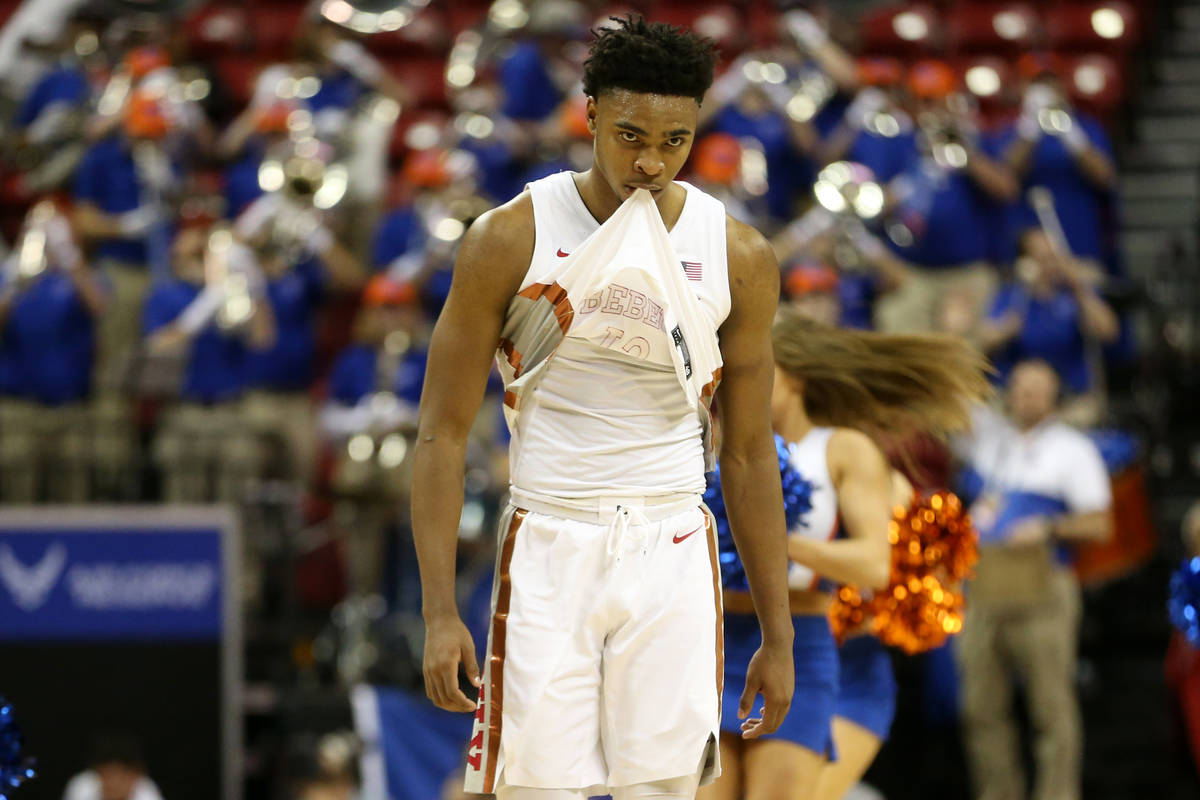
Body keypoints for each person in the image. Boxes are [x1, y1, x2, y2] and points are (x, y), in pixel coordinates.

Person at [413, 16, 795, 799]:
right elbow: (440, 435)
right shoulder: (507, 238)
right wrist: (439, 610)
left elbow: (751, 453)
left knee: (662, 791)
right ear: (587, 115)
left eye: (674, 141)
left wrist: (778, 632)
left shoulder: (740, 255)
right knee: (536, 790)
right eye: (629, 135)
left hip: (674, 538)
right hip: (551, 533)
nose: (650, 162)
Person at [700, 310, 990, 800]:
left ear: (789, 376)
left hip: (800, 646)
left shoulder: (841, 448)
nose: (738, 381)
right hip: (710, 649)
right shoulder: (714, 443)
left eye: (753, 367)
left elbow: (874, 564)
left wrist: (766, 540)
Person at [954, 359, 1113, 800]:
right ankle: (997, 792)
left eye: (1037, 391)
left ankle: (1058, 794)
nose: (1027, 398)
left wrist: (1049, 527)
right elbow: (955, 407)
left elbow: (1100, 524)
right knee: (980, 708)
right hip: (986, 585)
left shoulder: (1072, 449)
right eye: (1020, 389)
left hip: (1042, 585)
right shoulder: (994, 446)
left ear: (1053, 397)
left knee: (1050, 707)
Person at [874, 60, 1017, 334]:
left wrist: (965, 154)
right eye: (922, 102)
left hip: (967, 273)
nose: (929, 110)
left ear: (951, 102)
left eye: (935, 102)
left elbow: (1006, 190)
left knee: (965, 356)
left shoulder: (975, 141)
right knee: (899, 343)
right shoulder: (900, 143)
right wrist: (915, 177)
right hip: (912, 271)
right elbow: (876, 203)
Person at [0, 200, 104, 502]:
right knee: (17, 497)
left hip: (69, 409)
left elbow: (97, 306)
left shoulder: (81, 277)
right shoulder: (12, 278)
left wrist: (69, 256)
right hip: (20, 410)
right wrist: (15, 279)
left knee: (71, 498)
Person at [978, 227, 1119, 425]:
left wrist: (1079, 288)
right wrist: (1006, 329)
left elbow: (1109, 332)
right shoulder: (1011, 295)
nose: (1050, 266)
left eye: (1054, 257)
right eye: (1041, 258)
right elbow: (984, 340)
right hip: (1016, 401)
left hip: (1068, 399)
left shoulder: (1075, 294)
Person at [63, 733, 164, 800]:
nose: (115, 783)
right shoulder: (82, 785)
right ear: (98, 773)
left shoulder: (146, 789)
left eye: (122, 777)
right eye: (110, 775)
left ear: (136, 776)